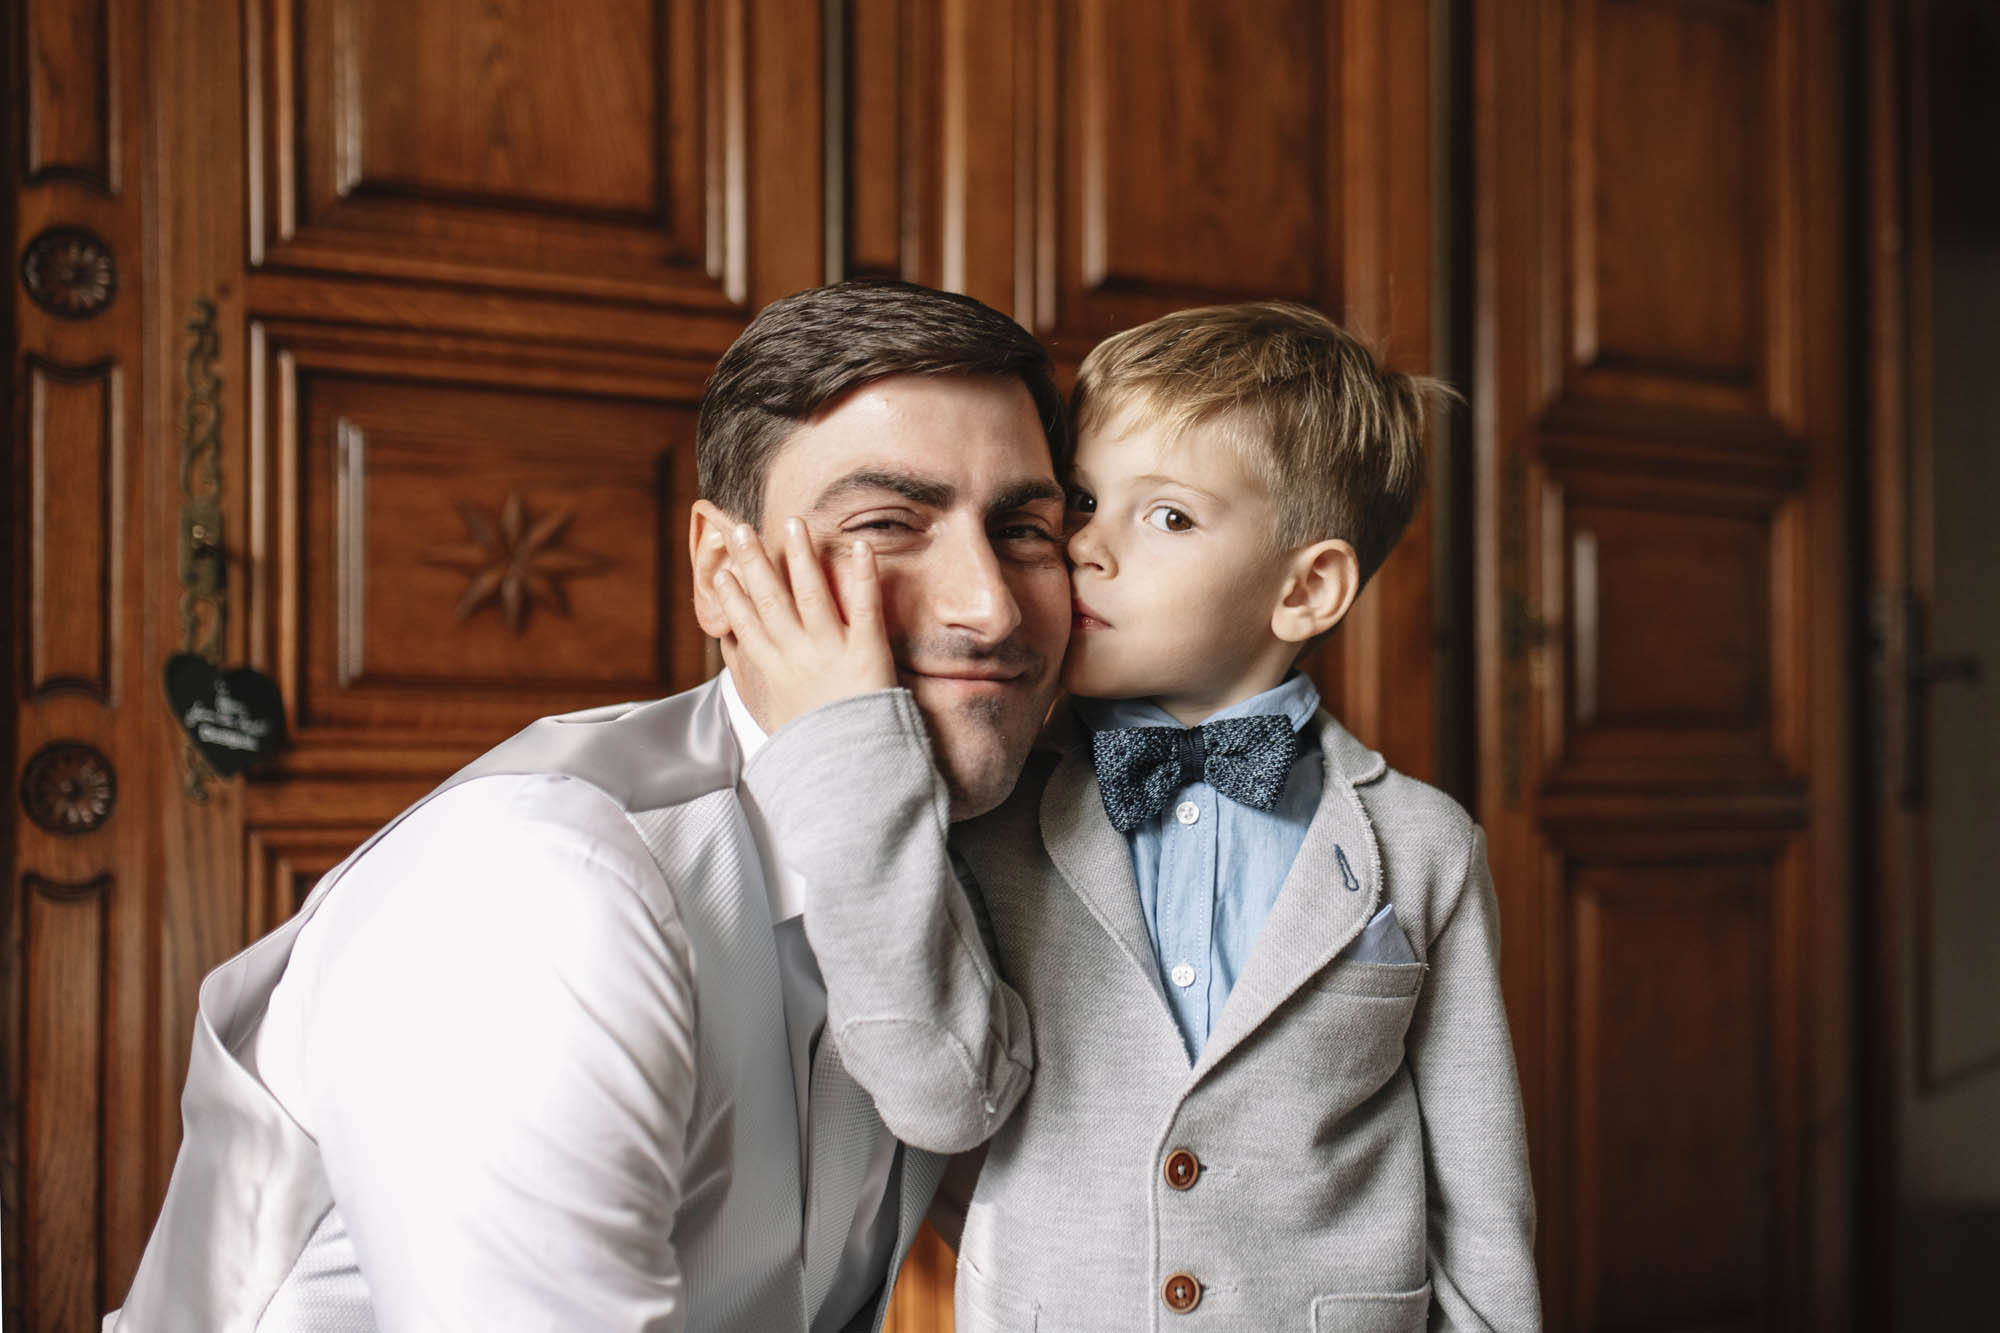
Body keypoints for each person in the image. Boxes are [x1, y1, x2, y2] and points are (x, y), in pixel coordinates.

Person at [106, 279, 1070, 1332]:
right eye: (889, 523)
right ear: (720, 569)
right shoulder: (544, 882)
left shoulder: (972, 861)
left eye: (1024, 528)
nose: (988, 606)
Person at [716, 301, 1539, 1330]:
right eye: (1082, 502)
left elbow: (1480, 1208)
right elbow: (938, 1095)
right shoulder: (990, 810)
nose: (1085, 549)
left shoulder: (1420, 848)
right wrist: (847, 753)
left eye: (1167, 516)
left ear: (1307, 588)